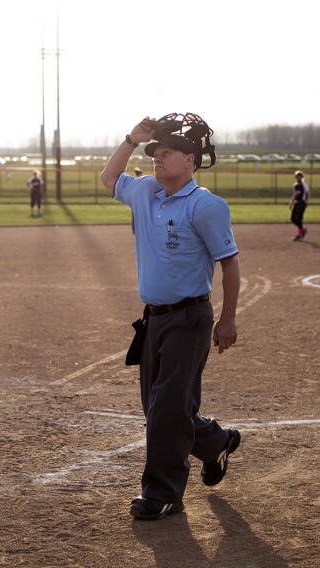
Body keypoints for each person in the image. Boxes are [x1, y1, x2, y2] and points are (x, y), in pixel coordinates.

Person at [101, 113, 242, 521]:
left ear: (190, 161)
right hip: (154, 320)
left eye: (166, 153)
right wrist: (131, 139)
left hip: (190, 319)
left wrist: (228, 320)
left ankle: (163, 494)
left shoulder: (206, 206)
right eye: (155, 153)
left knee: (166, 409)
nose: (158, 159)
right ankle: (214, 440)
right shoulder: (145, 192)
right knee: (160, 408)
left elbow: (229, 264)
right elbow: (109, 179)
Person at [289, 170, 310, 241]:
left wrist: (306, 202)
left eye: (300, 175)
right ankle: (302, 230)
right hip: (296, 203)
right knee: (292, 218)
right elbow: (294, 194)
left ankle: (300, 235)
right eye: (297, 175)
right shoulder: (295, 185)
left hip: (302, 203)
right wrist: (291, 203)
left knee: (299, 218)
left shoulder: (304, 184)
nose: (298, 177)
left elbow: (308, 193)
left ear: (302, 176)